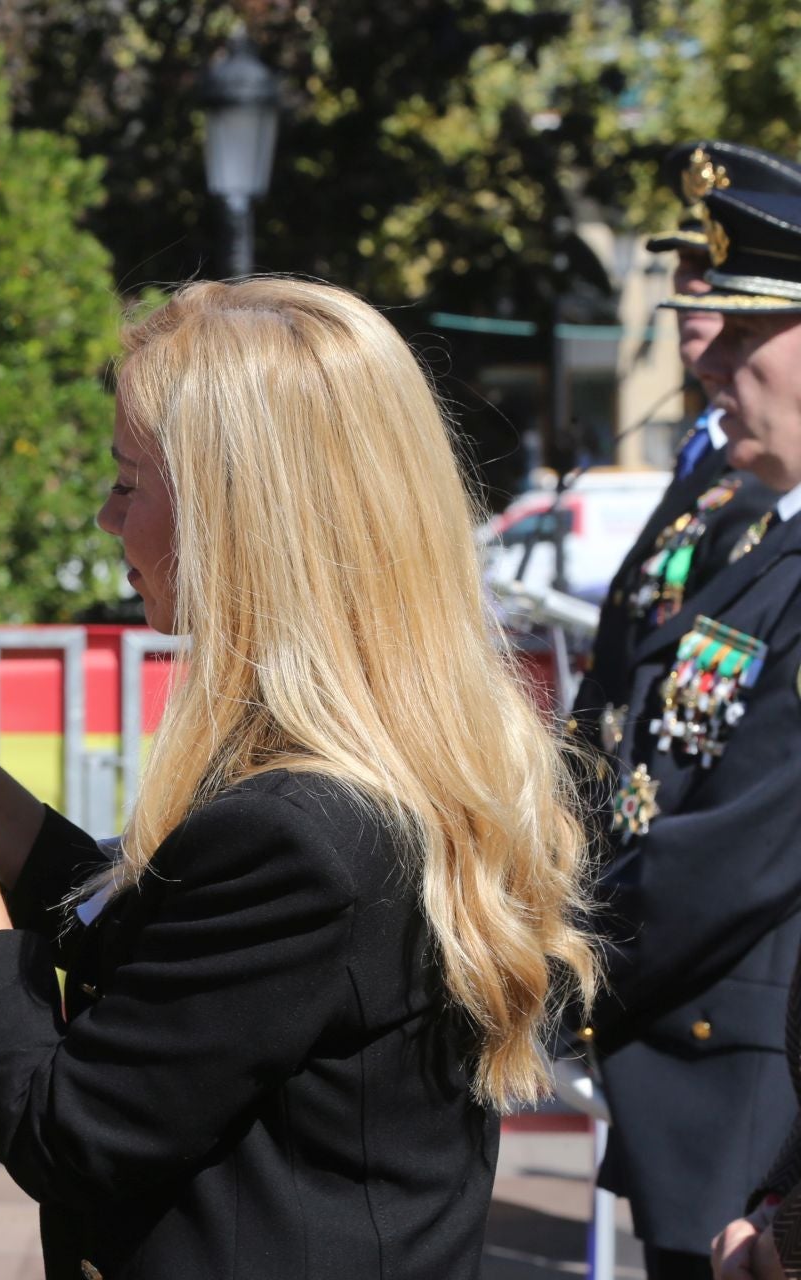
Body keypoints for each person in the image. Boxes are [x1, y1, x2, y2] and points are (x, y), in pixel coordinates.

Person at [0, 278, 600, 1279]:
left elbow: (68, 1133)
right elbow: (160, 945)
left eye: (129, 482)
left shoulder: (304, 828)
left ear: (240, 517)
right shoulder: (361, 774)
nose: (104, 515)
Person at [563, 179, 801, 1280]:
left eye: (749, 332)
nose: (710, 361)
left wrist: (559, 961)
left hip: (748, 1075)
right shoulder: (766, 537)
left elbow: (741, 841)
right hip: (697, 1060)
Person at [566, 141, 790, 786]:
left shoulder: (766, 465)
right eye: (686, 261)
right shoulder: (713, 446)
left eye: (712, 263)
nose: (692, 287)